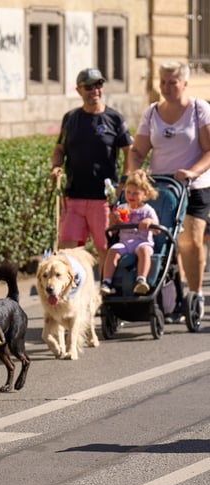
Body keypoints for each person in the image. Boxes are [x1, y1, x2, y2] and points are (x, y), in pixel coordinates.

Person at [128, 61, 210, 320]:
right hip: (161, 189)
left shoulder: (199, 109)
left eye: (172, 82)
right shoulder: (152, 113)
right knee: (163, 240)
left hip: (193, 187)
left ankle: (195, 293)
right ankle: (170, 296)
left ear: (184, 84)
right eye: (162, 82)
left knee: (189, 241)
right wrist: (133, 171)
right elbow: (138, 150)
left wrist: (192, 171)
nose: (166, 87)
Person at [50, 68, 133, 272]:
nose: (94, 90)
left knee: (105, 249)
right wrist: (56, 167)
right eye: (88, 86)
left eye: (98, 85)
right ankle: (74, 294)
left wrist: (124, 182)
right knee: (67, 251)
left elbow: (130, 152)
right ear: (79, 90)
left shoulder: (114, 118)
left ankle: (106, 294)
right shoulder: (70, 118)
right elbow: (59, 149)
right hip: (74, 197)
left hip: (103, 199)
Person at [99, 170, 160, 296]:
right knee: (112, 251)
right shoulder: (121, 208)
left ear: (145, 195)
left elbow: (157, 230)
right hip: (125, 243)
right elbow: (113, 231)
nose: (131, 195)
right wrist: (113, 221)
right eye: (128, 192)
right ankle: (106, 282)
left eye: (136, 193)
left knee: (144, 251)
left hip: (142, 242)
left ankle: (141, 280)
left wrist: (149, 222)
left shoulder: (148, 210)